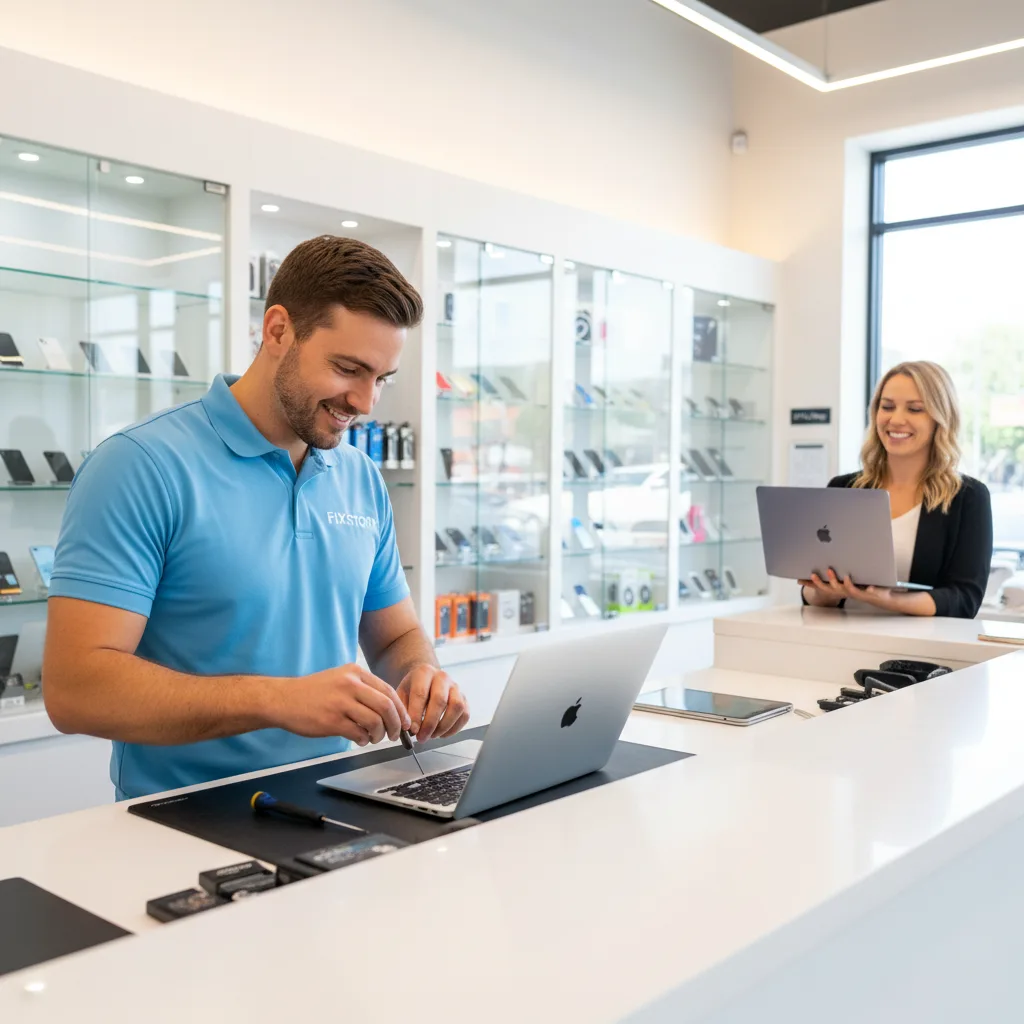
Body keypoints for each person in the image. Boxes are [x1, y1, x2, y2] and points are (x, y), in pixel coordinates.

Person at [43, 235, 469, 799]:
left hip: (335, 799)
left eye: (382, 380)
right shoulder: (139, 466)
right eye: (348, 368)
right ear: (277, 330)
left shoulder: (360, 477)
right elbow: (76, 691)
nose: (365, 403)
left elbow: (396, 637)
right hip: (182, 821)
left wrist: (421, 678)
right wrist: (277, 700)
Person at [800, 360, 992, 618]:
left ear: (940, 419)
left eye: (915, 409)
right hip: (840, 644)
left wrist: (887, 599)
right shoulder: (842, 488)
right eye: (887, 406)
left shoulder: (968, 497)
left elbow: (965, 600)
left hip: (917, 650)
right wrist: (826, 591)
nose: (896, 419)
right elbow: (811, 595)